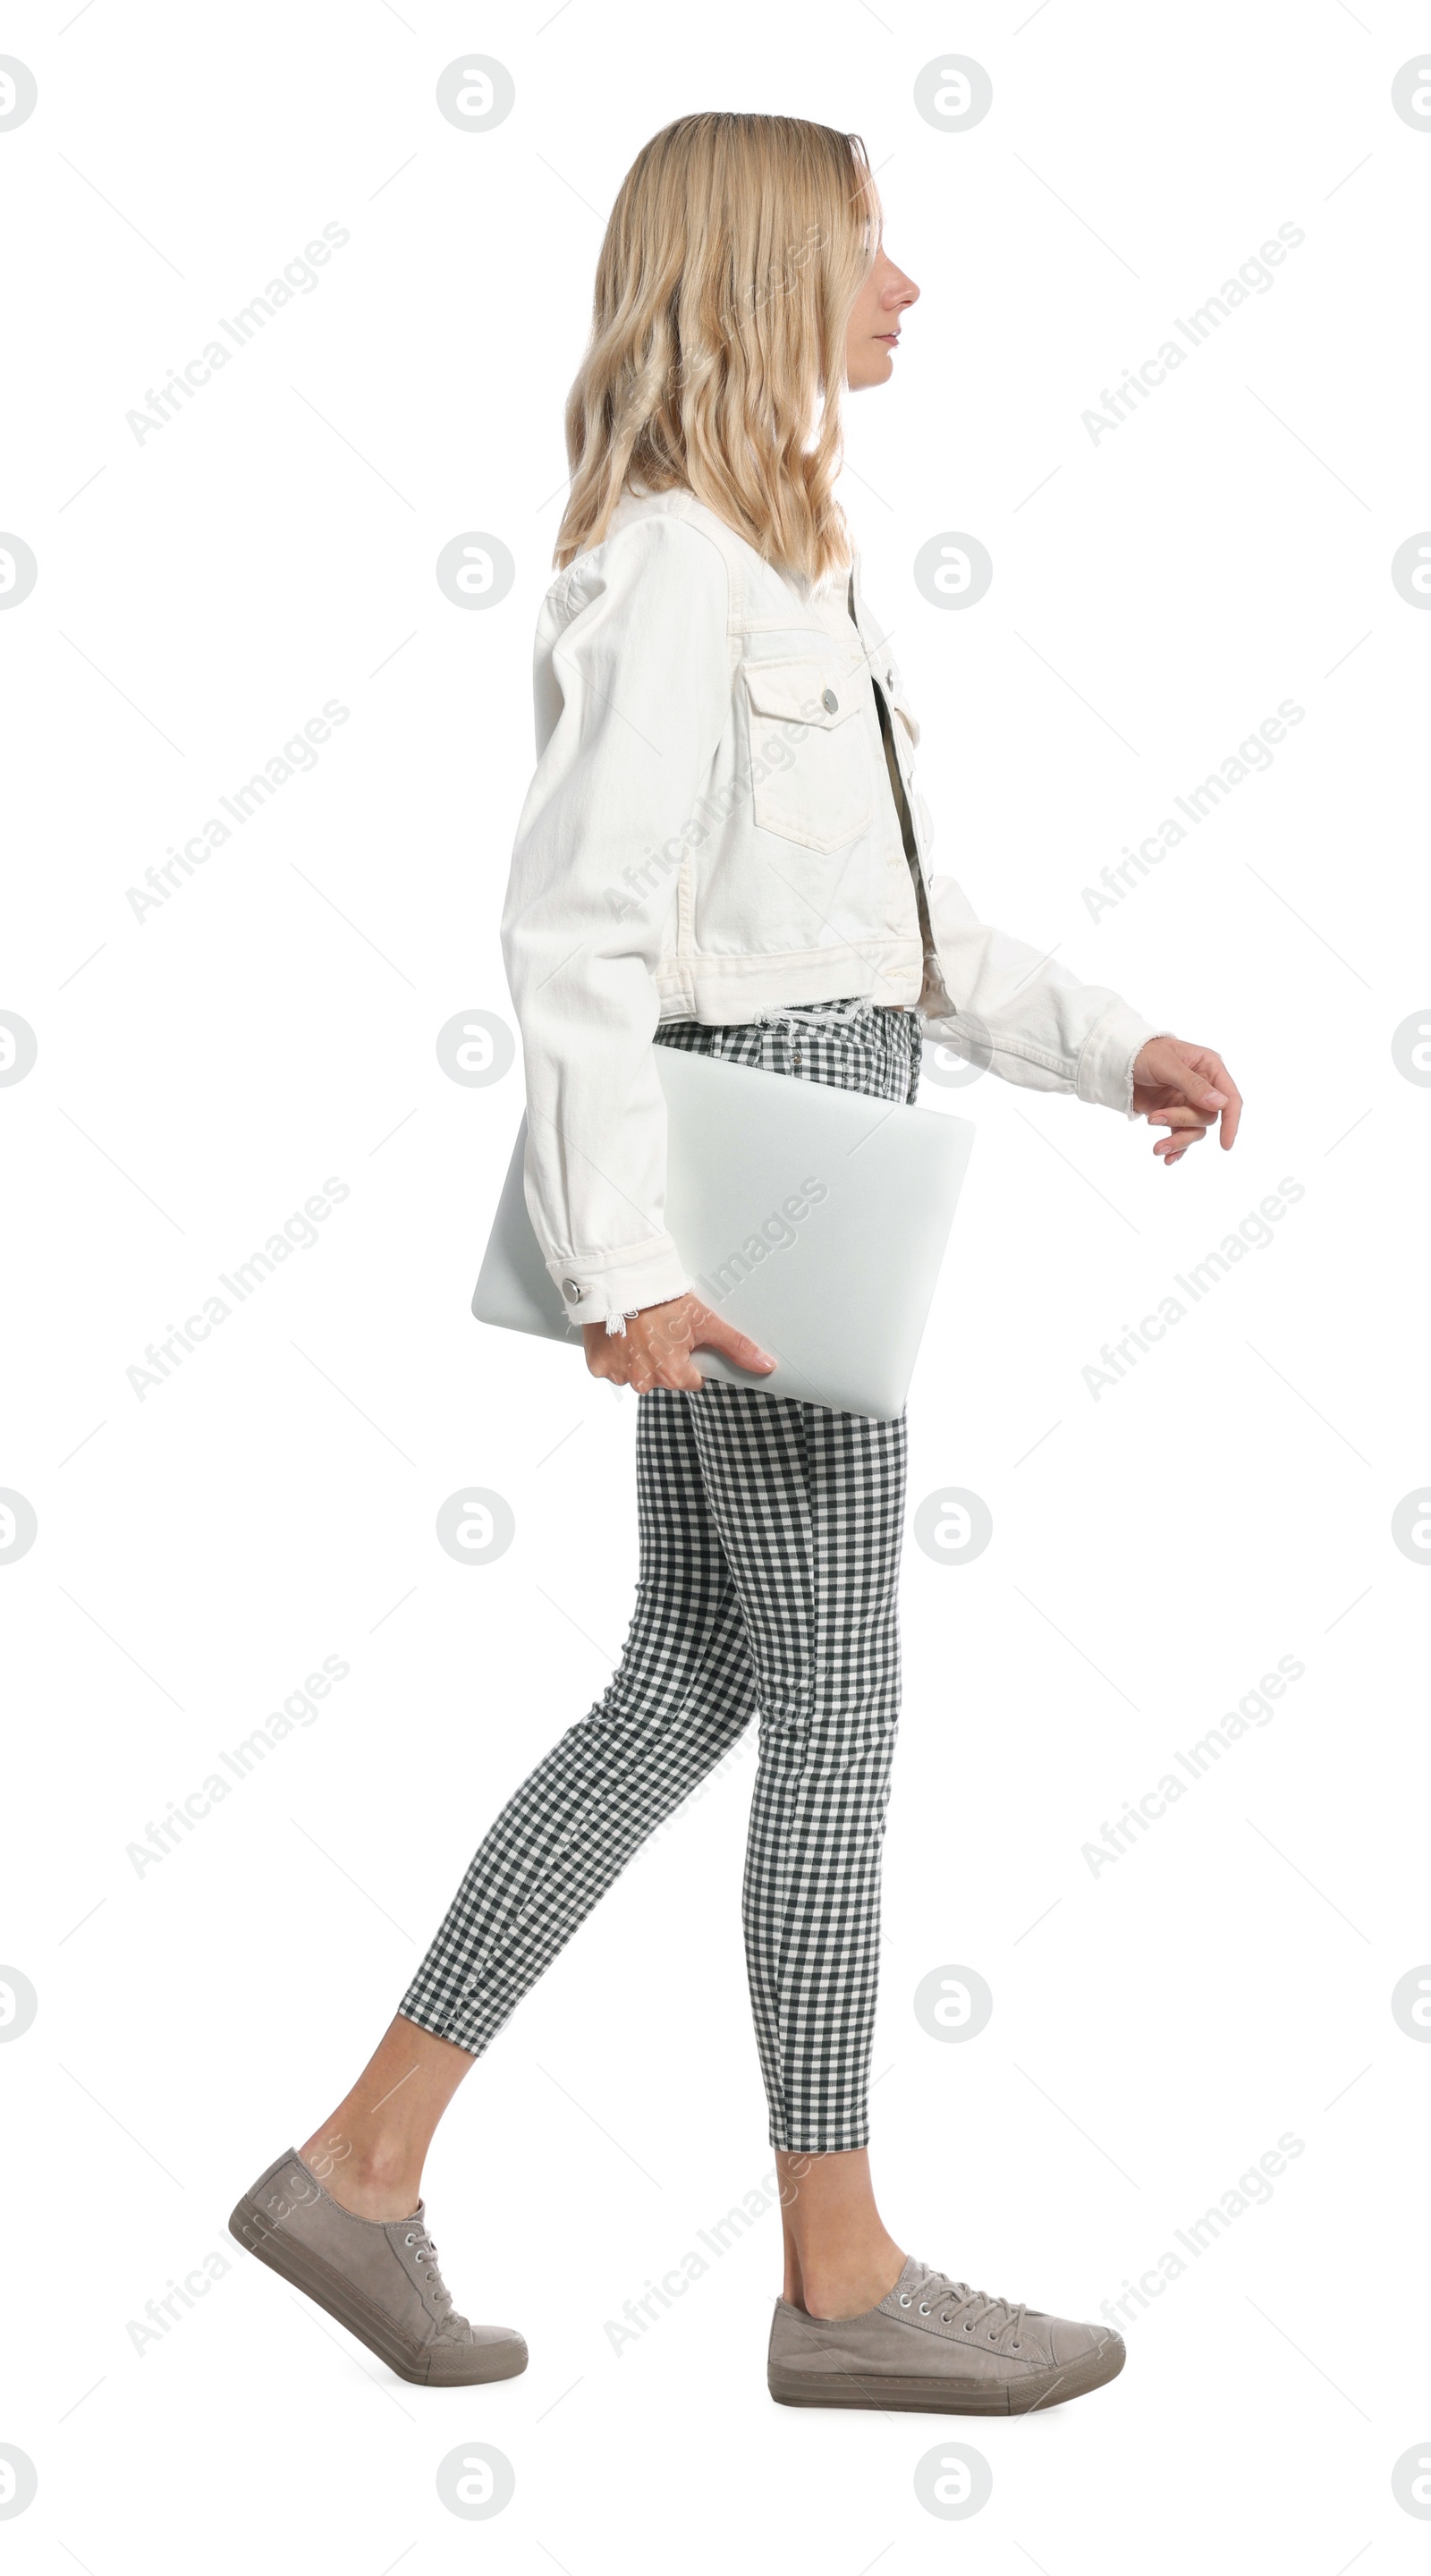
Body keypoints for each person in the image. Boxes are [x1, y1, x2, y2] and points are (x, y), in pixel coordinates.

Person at [229, 111, 1241, 2411]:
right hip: (755, 1169)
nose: (908, 291)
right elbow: (581, 937)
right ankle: (841, 2277)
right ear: (766, 278)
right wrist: (621, 1262)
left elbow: (894, 930)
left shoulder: (797, 561)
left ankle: (359, 2173)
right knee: (840, 1698)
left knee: (688, 1680)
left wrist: (1111, 1047)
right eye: (870, 253)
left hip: (815, 1125)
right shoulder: (672, 565)